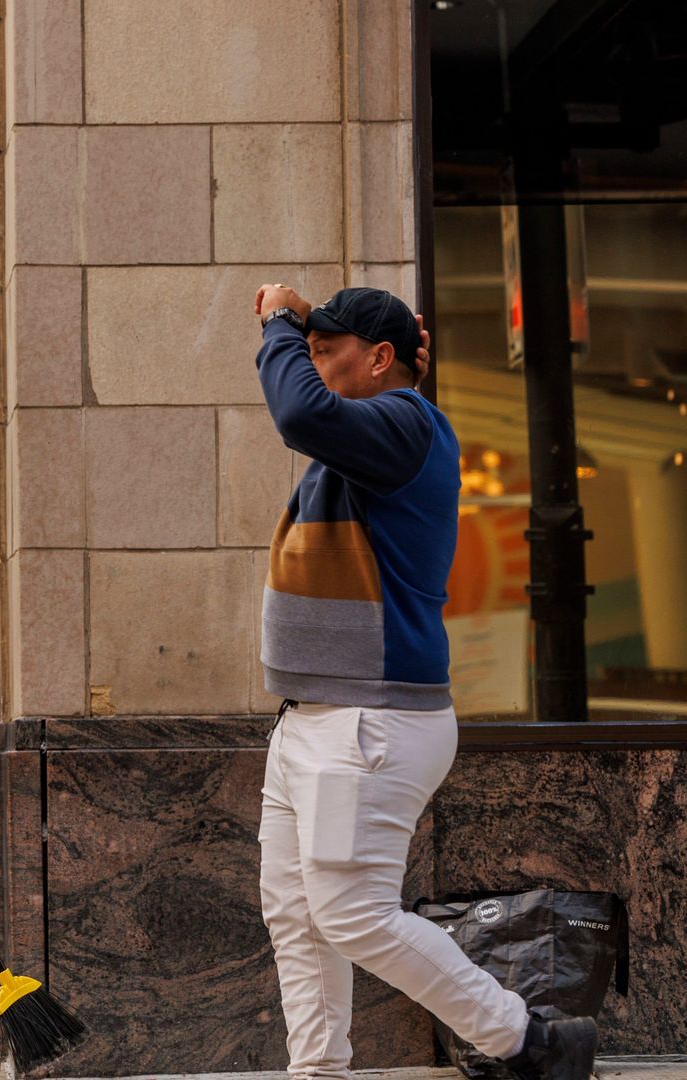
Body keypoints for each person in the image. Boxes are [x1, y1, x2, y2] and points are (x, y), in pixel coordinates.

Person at [251, 284, 594, 1080]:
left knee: (352, 915)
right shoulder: (374, 431)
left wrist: (278, 321)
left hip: (370, 721)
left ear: (378, 361)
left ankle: (526, 1041)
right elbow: (315, 407)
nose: (307, 364)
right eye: (306, 351)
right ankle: (318, 1070)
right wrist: (318, 339)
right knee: (298, 917)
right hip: (313, 722)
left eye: (325, 351)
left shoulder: (405, 425)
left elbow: (298, 413)